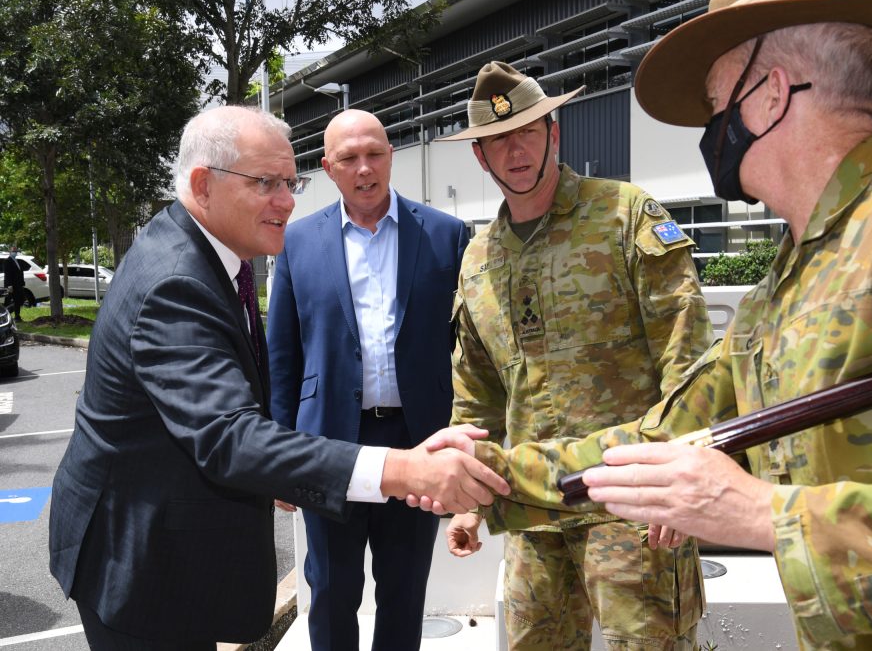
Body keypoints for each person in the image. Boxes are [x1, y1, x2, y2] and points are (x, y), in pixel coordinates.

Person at [437, 0, 872, 648]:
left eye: (716, 103)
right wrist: (488, 478)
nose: (711, 127)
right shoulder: (796, 276)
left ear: (770, 94)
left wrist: (765, 515)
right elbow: (669, 434)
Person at [47, 105, 509, 650]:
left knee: (402, 593)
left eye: (290, 183)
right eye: (266, 183)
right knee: (334, 592)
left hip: (169, 554)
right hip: (140, 565)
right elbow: (230, 434)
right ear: (203, 184)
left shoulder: (209, 257)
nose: (288, 201)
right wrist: (405, 469)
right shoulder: (177, 283)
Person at [434, 62, 713, 650]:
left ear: (555, 132)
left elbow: (687, 359)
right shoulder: (479, 259)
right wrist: (468, 501)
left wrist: (680, 475)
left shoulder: (623, 214)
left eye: (527, 132)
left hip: (631, 505)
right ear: (480, 158)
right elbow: (476, 392)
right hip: (531, 511)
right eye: (496, 141)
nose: (514, 151)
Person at [266, 109, 470, 651]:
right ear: (329, 168)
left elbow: (469, 351)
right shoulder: (295, 242)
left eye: (374, 154)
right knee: (331, 589)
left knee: (404, 590)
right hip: (327, 441)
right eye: (349, 158)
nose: (364, 169)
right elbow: (282, 355)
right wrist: (279, 453)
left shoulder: (446, 237)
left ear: (390, 155)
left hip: (417, 439)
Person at [3, 247, 25, 321]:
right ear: (10, 252)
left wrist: (22, 283)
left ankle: (16, 316)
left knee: (20, 300)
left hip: (18, 284)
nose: (15, 253)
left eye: (16, 251)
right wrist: (9, 285)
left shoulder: (17, 261)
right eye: (13, 251)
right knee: (9, 301)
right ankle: (11, 316)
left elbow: (20, 273)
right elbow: (8, 274)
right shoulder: (8, 261)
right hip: (11, 285)